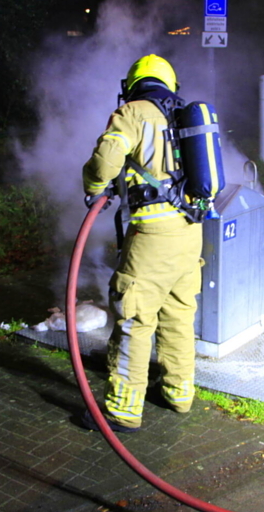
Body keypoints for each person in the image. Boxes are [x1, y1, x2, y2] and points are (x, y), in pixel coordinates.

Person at [80, 54, 203, 433]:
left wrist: (94, 189)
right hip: (190, 233)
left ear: (132, 85)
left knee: (135, 317)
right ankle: (178, 393)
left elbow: (105, 162)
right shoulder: (184, 114)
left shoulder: (133, 112)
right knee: (179, 314)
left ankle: (122, 410)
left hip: (153, 236)